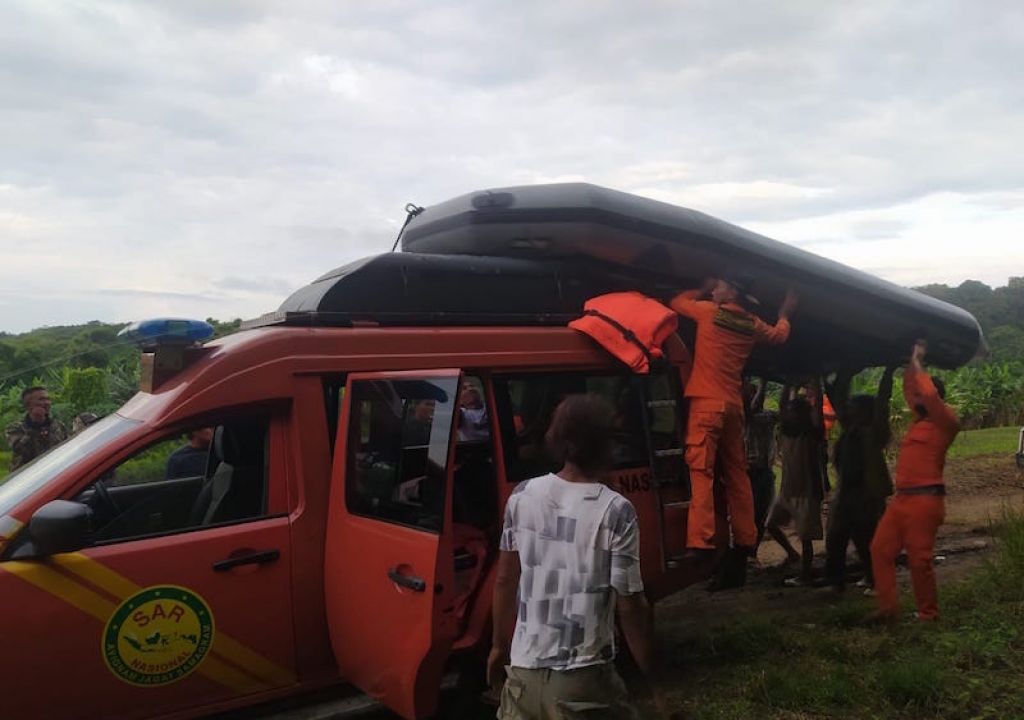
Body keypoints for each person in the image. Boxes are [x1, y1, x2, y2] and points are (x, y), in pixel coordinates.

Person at [487, 394, 659, 719]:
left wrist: (498, 645)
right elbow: (630, 603)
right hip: (583, 679)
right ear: (605, 445)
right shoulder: (616, 510)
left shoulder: (522, 495)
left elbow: (506, 580)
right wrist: (649, 666)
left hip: (523, 677)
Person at [670, 274, 797, 557]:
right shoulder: (752, 323)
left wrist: (700, 286)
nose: (714, 290)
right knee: (737, 475)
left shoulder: (708, 312)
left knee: (701, 471)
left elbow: (676, 301)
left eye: (719, 286)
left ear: (731, 294)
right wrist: (785, 313)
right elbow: (780, 335)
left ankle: (700, 541)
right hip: (733, 408)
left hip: (706, 405)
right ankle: (746, 536)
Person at [870, 341, 958, 622]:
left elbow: (928, 394)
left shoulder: (946, 421)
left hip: (925, 501)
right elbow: (913, 390)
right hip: (901, 500)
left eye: (921, 392)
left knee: (919, 560)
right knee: (879, 550)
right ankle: (888, 608)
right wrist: (910, 363)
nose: (915, 396)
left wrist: (919, 362)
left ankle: (928, 615)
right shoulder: (919, 422)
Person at [822, 366, 895, 592]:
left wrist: (889, 371)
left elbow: (882, 402)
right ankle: (836, 582)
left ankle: (874, 578)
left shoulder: (875, 431)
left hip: (867, 495)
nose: (849, 408)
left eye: (855, 406)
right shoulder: (850, 428)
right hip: (846, 493)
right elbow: (837, 398)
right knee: (836, 537)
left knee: (866, 540)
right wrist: (836, 374)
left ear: (864, 411)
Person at [764, 382, 826, 584]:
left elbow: (817, 410)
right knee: (771, 525)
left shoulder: (812, 435)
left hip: (807, 493)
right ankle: (792, 555)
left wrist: (817, 382)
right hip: (788, 491)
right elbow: (783, 406)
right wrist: (787, 382)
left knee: (806, 539)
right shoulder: (787, 433)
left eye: (793, 411)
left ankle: (805, 575)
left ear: (802, 415)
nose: (788, 414)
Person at [744, 377, 779, 549]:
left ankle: (752, 552)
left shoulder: (766, 417)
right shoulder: (744, 415)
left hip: (761, 472)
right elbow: (752, 409)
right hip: (750, 472)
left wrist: (764, 383)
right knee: (756, 516)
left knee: (760, 515)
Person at [5, 386, 68, 471]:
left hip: (56, 471)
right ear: (28, 405)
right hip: (29, 476)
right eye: (41, 399)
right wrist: (34, 425)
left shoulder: (58, 425)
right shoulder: (14, 428)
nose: (47, 402)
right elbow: (20, 450)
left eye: (48, 399)